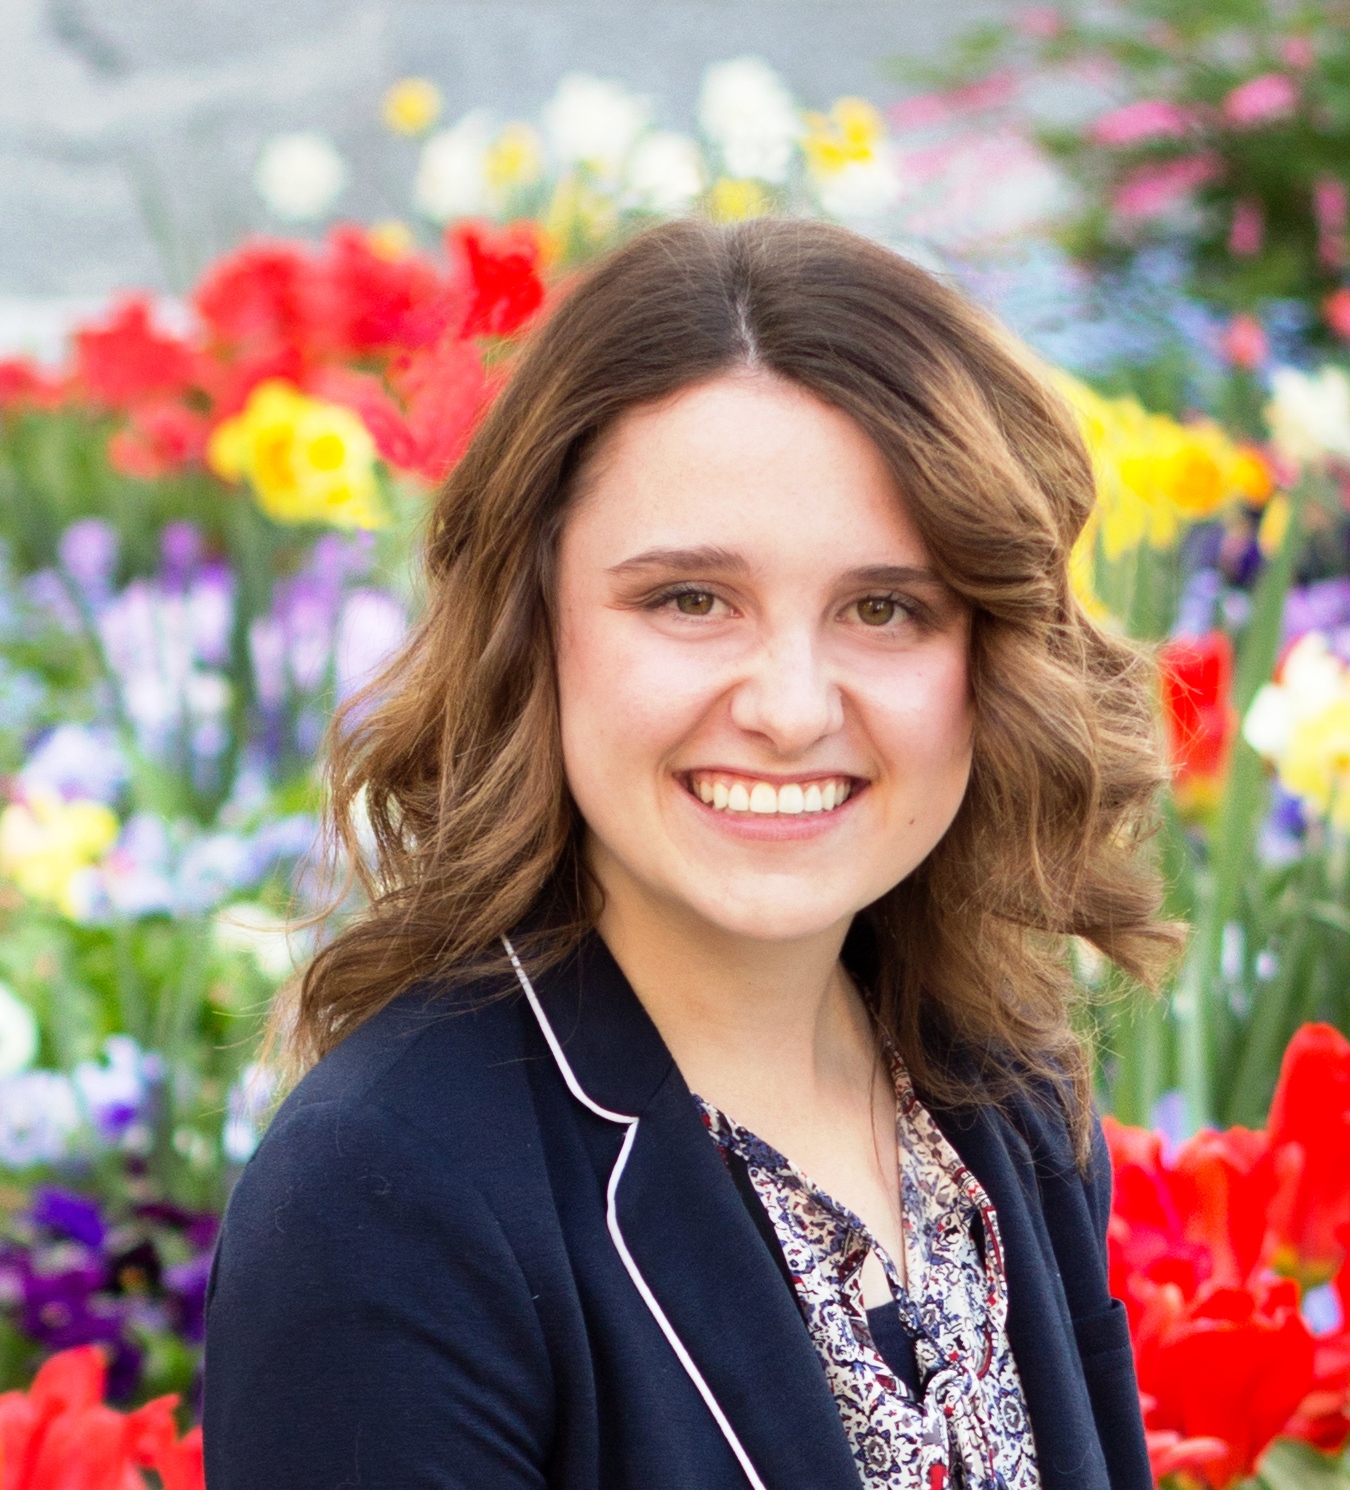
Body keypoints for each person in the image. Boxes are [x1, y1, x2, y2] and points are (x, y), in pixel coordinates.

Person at [203, 217, 1180, 1490]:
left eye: (883, 608)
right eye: (689, 599)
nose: (789, 705)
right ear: (529, 618)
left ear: (988, 656)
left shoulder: (1006, 1097)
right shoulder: (390, 1195)